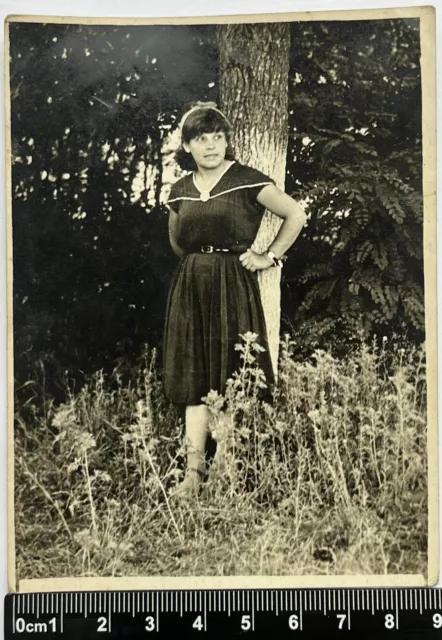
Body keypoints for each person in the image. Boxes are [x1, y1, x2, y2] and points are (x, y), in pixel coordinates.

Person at [163, 101, 307, 499]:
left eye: (218, 137)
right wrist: (198, 265)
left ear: (227, 141)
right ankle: (193, 475)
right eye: (201, 139)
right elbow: (177, 241)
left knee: (228, 373)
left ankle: (225, 471)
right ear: (187, 146)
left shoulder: (247, 179)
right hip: (191, 285)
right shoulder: (180, 189)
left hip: (232, 283)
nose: (211, 146)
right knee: (194, 377)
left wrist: (268, 256)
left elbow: (295, 214)